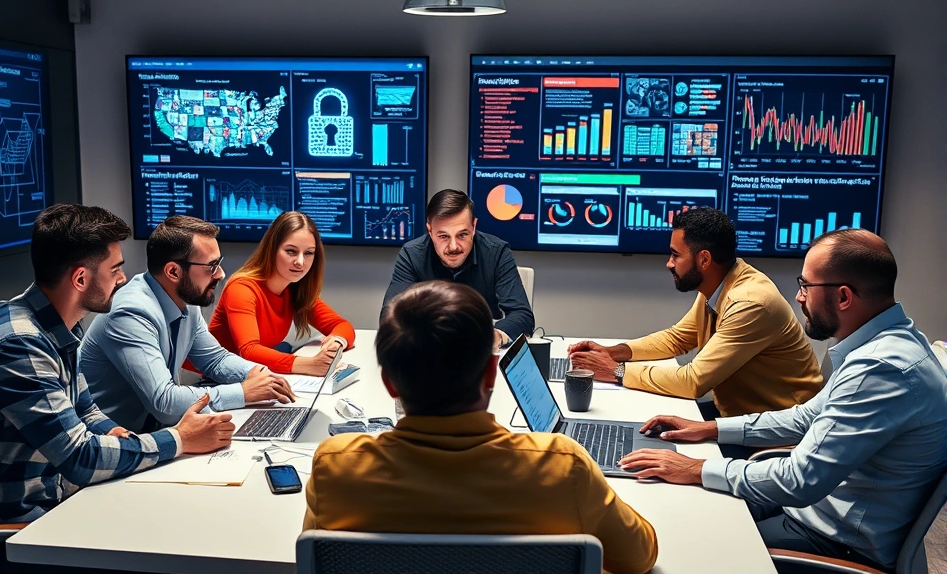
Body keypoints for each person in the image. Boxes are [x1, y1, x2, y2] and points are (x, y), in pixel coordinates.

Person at [617, 229, 947, 571]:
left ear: (843, 297)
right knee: (686, 506)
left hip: (835, 540)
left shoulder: (881, 368)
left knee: (682, 544)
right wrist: (710, 428)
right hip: (815, 510)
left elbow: (800, 480)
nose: (799, 297)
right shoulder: (890, 344)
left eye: (805, 286)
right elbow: (804, 418)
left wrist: (696, 468)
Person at [0, 204, 236, 574]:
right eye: (115, 269)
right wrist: (180, 439)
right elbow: (79, 458)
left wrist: (115, 432)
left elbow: (86, 411)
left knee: (178, 528)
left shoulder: (57, 325)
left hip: (51, 512)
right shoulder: (16, 344)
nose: (123, 279)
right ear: (80, 278)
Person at [304, 281, 658, 574]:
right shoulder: (564, 467)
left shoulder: (335, 467)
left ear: (390, 384)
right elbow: (639, 558)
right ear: (491, 374)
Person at [569, 208, 822, 418]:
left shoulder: (750, 302)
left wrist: (617, 371)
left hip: (775, 432)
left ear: (704, 260)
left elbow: (693, 382)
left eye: (675, 255)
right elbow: (677, 338)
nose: (669, 263)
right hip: (739, 416)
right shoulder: (719, 284)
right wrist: (611, 353)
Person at [80, 215, 294, 432]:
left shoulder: (185, 300)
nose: (221, 274)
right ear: (173, 272)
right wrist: (243, 392)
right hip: (112, 440)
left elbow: (215, 360)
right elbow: (165, 403)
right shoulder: (130, 313)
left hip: (155, 433)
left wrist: (257, 374)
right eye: (212, 266)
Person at [380, 189, 534, 350]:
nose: (453, 247)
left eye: (462, 235)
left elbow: (522, 315)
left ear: (473, 226)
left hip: (480, 350)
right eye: (443, 236)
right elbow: (390, 315)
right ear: (430, 231)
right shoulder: (412, 255)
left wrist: (494, 336)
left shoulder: (497, 253)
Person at [209, 211, 355, 376]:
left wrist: (336, 342)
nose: (300, 262)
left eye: (308, 253)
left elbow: (342, 326)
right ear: (272, 250)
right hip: (210, 380)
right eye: (291, 251)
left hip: (250, 376)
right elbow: (249, 351)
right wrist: (310, 365)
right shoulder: (241, 288)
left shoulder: (294, 289)